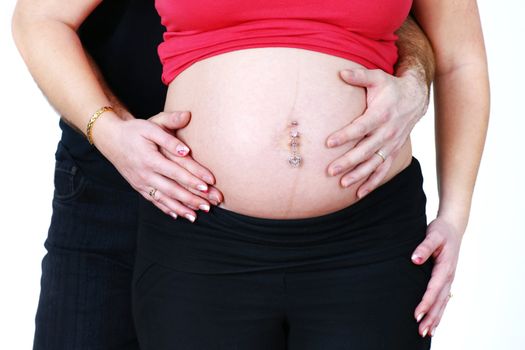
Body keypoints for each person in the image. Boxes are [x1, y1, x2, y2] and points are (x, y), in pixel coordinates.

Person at [12, 0, 488, 350]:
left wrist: (455, 215)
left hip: (368, 241)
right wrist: (108, 130)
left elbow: (459, 59)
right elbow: (40, 17)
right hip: (199, 230)